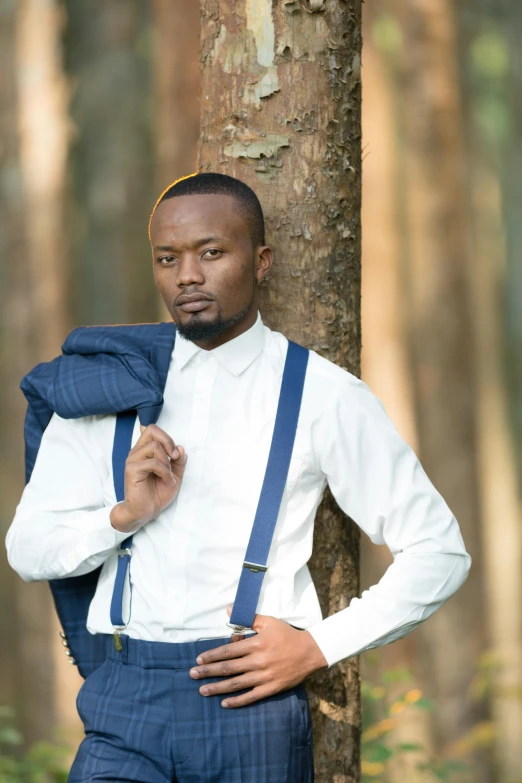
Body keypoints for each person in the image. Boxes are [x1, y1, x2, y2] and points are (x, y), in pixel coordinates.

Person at [6, 172, 471, 783]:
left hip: (246, 705)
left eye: (212, 252)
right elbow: (27, 549)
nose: (188, 276)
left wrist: (316, 647)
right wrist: (124, 517)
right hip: (122, 699)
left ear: (262, 261)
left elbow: (438, 551)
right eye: (168, 258)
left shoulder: (321, 395)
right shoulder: (105, 389)